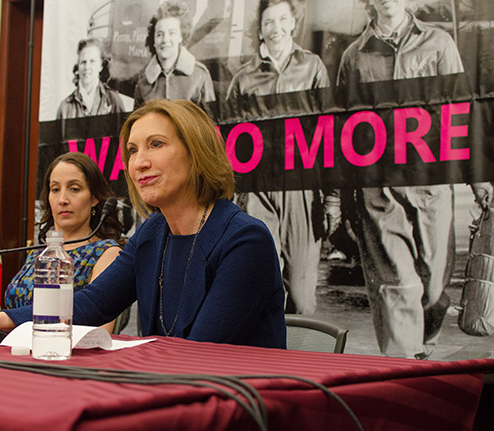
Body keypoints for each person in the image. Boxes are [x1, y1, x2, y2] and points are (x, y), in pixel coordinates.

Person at [0, 99, 286, 349]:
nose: (139, 162)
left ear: (197, 153)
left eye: (156, 144)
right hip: (173, 396)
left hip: (240, 408)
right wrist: (0, 318)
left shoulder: (244, 239)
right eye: (132, 151)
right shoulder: (153, 233)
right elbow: (92, 303)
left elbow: (199, 351)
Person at [336, 0, 464, 358]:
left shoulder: (439, 43)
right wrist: (342, 194)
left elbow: (460, 110)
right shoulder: (354, 56)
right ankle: (403, 369)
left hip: (431, 185)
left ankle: (420, 347)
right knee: (396, 284)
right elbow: (342, 127)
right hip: (378, 188)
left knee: (433, 286)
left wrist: (479, 179)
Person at [226, 0, 339, 314]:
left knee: (302, 297)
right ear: (260, 30)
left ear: (293, 23)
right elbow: (226, 143)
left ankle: (295, 357)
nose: (274, 29)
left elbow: (328, 134)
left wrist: (332, 197)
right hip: (257, 191)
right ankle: (268, 360)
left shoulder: (313, 67)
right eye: (267, 23)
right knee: (264, 285)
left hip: (302, 189)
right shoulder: (244, 79)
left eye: (281, 20)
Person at [2, 152, 124, 333]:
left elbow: (101, 332)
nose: (62, 200)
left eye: (74, 189)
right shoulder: (39, 254)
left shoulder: (107, 253)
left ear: (94, 198)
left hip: (64, 355)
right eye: (55, 189)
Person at [133, 1, 215, 107]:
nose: (165, 40)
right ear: (153, 41)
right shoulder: (143, 83)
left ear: (181, 36)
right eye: (159, 34)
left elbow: (210, 121)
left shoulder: (200, 76)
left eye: (172, 33)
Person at [56, 38, 125, 119]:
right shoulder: (65, 108)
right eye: (83, 62)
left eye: (92, 61)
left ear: (101, 66)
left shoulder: (114, 101)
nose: (87, 67)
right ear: (78, 67)